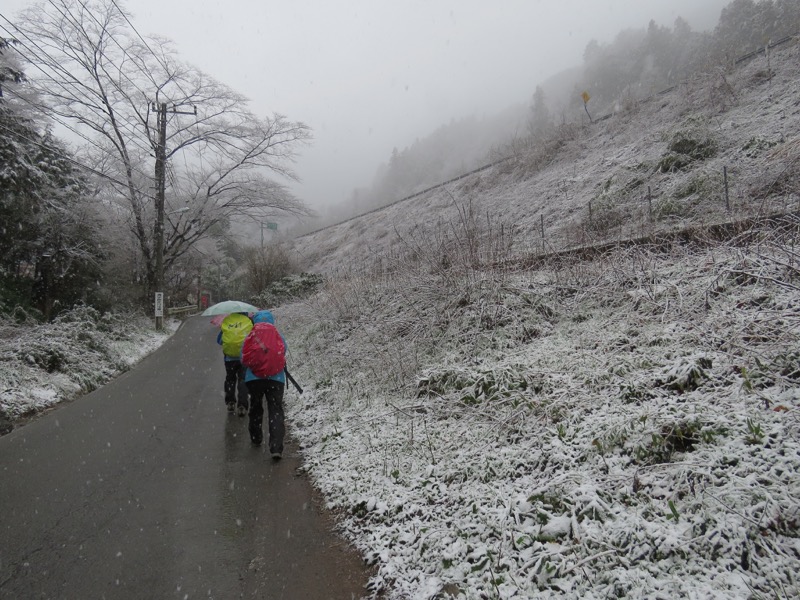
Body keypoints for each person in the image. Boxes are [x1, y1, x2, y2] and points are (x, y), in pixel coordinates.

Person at [242, 310, 286, 459]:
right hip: (276, 378)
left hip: (253, 379)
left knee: (255, 407)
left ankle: (256, 437)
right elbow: (283, 350)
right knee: (275, 411)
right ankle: (276, 447)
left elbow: (243, 357)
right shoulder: (277, 334)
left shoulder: (250, 335)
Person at [216, 312, 252, 416]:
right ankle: (242, 405)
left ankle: (230, 402)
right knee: (243, 380)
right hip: (244, 358)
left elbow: (219, 341)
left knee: (230, 379)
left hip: (229, 358)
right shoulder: (247, 322)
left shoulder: (227, 321)